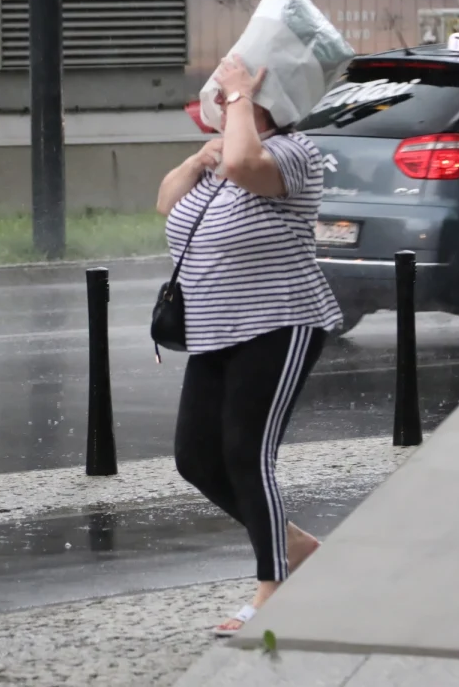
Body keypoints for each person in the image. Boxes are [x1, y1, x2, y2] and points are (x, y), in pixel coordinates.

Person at [156, 55, 342, 637]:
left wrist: (238, 99)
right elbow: (166, 202)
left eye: (233, 95)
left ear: (268, 103)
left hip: (279, 325)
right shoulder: (222, 162)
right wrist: (196, 157)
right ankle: (296, 547)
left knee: (245, 453)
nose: (222, 97)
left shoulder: (291, 154)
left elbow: (243, 160)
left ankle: (274, 587)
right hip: (214, 331)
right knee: (196, 457)